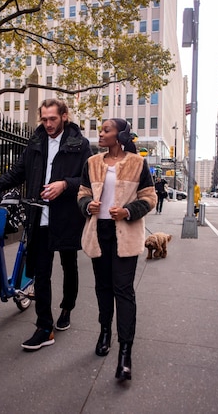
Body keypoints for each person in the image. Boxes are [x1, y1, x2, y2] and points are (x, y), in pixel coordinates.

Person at [0, 99, 92, 351]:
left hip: (67, 217)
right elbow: (16, 173)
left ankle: (67, 308)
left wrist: (65, 184)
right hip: (39, 216)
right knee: (41, 274)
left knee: (69, 265)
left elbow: (89, 179)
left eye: (52, 119)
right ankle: (45, 328)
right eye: (44, 119)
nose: (47, 124)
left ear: (64, 116)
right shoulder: (35, 143)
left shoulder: (80, 145)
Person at [77, 118, 156, 381]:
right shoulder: (92, 162)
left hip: (126, 234)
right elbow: (82, 193)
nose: (100, 134)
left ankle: (125, 351)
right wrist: (88, 205)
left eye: (106, 130)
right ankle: (104, 332)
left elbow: (149, 198)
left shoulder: (137, 163)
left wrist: (127, 211)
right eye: (100, 130)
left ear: (120, 135)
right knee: (103, 288)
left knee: (123, 291)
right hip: (99, 234)